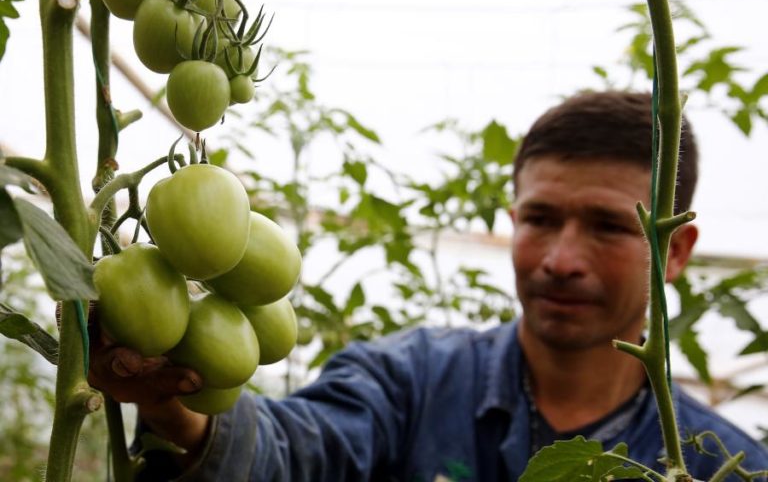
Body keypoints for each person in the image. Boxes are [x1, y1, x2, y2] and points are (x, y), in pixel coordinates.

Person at [89, 91, 768, 481]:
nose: (562, 258)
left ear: (674, 250)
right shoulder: (411, 382)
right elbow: (302, 451)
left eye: (607, 227)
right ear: (511, 223)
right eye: (540, 218)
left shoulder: (723, 468)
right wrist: (181, 412)